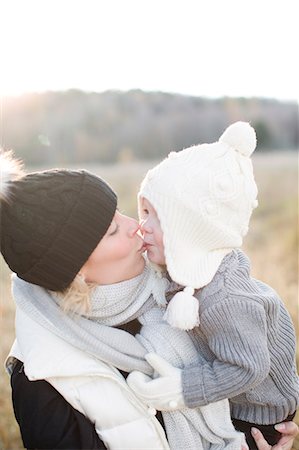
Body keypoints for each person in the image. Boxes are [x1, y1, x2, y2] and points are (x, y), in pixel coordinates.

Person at [1, 149, 297, 449]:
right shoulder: (42, 380)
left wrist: (265, 433)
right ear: (76, 273)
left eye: (119, 212)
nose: (135, 226)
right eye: (114, 230)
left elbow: (249, 372)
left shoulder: (184, 284)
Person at [125, 121, 299, 449]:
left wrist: (184, 389)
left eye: (153, 216)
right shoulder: (191, 270)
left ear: (189, 228)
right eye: (142, 211)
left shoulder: (224, 297)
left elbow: (248, 368)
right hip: (237, 401)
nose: (140, 227)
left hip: (255, 416)